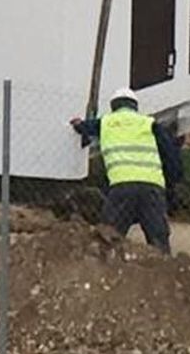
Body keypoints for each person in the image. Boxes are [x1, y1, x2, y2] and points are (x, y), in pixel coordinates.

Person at [70, 87, 183, 255]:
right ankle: (165, 271)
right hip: (152, 187)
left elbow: (85, 127)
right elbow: (171, 155)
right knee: (158, 237)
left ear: (113, 107)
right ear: (135, 107)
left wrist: (78, 124)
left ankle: (105, 270)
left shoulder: (106, 122)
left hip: (122, 187)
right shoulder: (149, 123)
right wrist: (173, 181)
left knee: (109, 235)